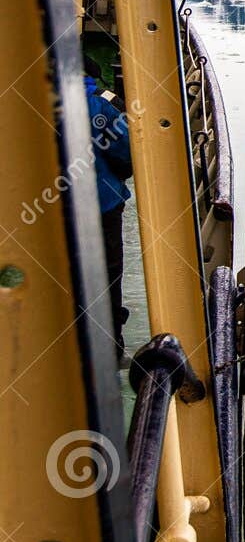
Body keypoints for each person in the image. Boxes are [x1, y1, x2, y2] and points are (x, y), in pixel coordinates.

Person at [84, 54, 133, 358]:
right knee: (108, 272)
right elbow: (125, 152)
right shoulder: (102, 104)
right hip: (102, 204)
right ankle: (111, 345)